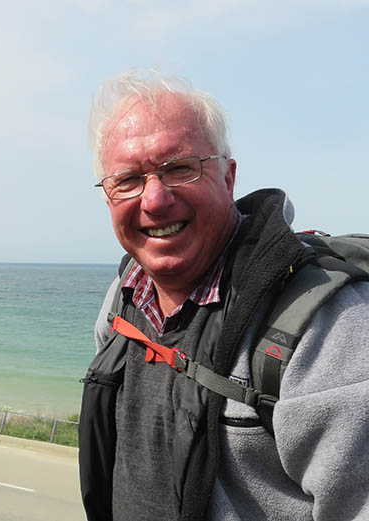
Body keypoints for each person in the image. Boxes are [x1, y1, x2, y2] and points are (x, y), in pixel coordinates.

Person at [79, 69, 369, 521]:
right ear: (108, 197)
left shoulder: (326, 328)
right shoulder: (123, 300)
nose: (154, 200)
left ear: (228, 178)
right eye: (128, 180)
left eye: (178, 168)